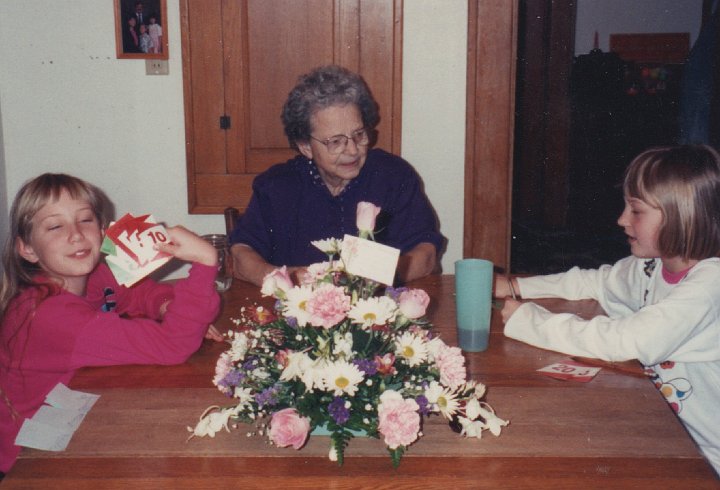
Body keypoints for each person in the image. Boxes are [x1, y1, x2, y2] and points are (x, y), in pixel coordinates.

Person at [495, 145, 720, 476]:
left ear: (681, 214)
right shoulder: (653, 265)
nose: (622, 219)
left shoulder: (710, 284)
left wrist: (530, 321)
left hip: (707, 459)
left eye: (636, 210)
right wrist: (517, 287)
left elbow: (628, 341)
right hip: (667, 435)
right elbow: (596, 282)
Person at [0, 173, 221, 474]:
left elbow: (138, 293)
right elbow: (172, 346)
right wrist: (206, 261)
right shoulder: (49, 316)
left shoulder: (90, 276)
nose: (76, 235)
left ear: (103, 231)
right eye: (55, 226)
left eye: (85, 220)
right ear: (26, 248)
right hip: (29, 462)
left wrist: (168, 306)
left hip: (71, 416)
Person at [230, 65, 444, 286]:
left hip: (376, 312)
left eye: (359, 135)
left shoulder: (393, 176)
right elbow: (242, 255)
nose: (352, 150)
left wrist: (374, 280)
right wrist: (289, 280)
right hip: (297, 314)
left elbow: (426, 253)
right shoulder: (277, 186)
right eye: (335, 141)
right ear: (305, 146)